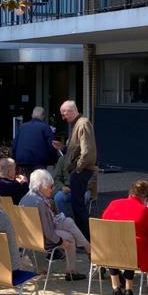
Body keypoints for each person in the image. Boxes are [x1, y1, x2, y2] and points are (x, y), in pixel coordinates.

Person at [20, 169, 88, 281]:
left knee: (69, 222)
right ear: (41, 186)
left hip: (30, 237)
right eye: (50, 186)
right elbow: (47, 230)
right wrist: (60, 241)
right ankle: (71, 271)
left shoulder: (25, 198)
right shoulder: (40, 203)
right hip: (42, 238)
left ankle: (86, 247)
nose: (53, 189)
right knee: (70, 238)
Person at [100, 179, 148, 295]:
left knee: (115, 242)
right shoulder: (145, 212)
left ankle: (116, 287)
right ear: (145, 199)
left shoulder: (113, 204)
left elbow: (103, 225)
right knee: (132, 246)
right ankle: (129, 289)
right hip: (132, 255)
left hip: (108, 252)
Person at [59, 100, 97, 241]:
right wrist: (63, 148)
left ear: (71, 111)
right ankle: (84, 238)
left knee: (78, 206)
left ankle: (86, 238)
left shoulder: (82, 123)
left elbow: (87, 151)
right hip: (79, 169)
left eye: (64, 114)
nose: (63, 118)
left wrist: (78, 168)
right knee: (77, 206)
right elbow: (77, 149)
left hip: (81, 170)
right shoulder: (78, 124)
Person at [13, 106, 59, 176]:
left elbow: (14, 144)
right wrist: (54, 160)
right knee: (39, 181)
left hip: (23, 160)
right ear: (43, 116)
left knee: (27, 181)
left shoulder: (22, 126)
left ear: (32, 115)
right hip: (39, 160)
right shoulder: (45, 127)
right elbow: (52, 145)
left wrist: (14, 159)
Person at [52, 153, 92, 218]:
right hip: (67, 188)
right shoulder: (62, 159)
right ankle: (63, 219)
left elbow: (91, 180)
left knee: (85, 197)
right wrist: (62, 187)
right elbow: (56, 179)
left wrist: (80, 188)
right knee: (58, 197)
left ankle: (81, 220)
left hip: (82, 189)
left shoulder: (85, 160)